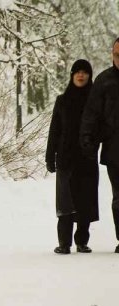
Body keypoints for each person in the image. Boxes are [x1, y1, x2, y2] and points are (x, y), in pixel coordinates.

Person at [46, 59, 99, 255]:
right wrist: (49, 156)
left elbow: (102, 127)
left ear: (89, 75)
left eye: (85, 72)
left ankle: (82, 242)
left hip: (86, 158)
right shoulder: (63, 100)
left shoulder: (95, 101)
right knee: (65, 202)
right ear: (71, 75)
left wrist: (93, 145)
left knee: (84, 200)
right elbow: (54, 131)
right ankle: (64, 243)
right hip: (66, 159)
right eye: (77, 71)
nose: (81, 75)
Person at [80, 37, 119, 253]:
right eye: (117, 55)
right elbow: (91, 114)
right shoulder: (104, 82)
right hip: (115, 150)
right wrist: (87, 138)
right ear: (112, 55)